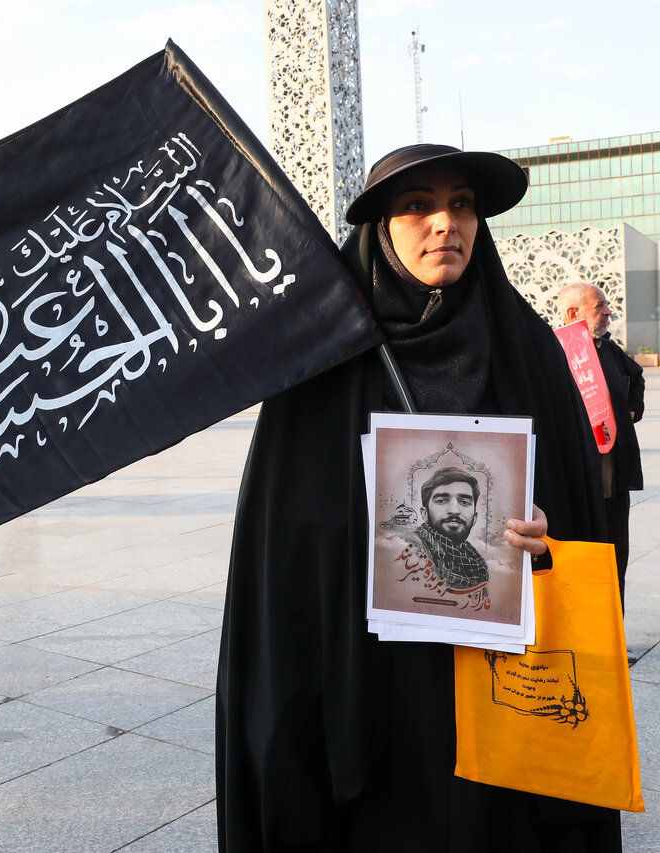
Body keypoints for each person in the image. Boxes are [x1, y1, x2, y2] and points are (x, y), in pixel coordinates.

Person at [216, 145, 616, 851]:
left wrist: (545, 532)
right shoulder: (325, 364)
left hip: (503, 689)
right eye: (417, 206)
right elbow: (287, 546)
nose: (445, 223)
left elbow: (582, 514)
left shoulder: (527, 350)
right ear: (380, 227)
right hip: (371, 685)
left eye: (461, 204)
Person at [557, 282, 644, 603]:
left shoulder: (609, 350)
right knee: (583, 559)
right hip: (578, 480)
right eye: (600, 306)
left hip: (615, 476)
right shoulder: (553, 353)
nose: (608, 312)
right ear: (573, 313)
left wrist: (632, 408)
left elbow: (636, 376)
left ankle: (614, 640)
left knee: (616, 556)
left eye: (607, 305)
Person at [408, 466, 488, 591]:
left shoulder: (476, 563)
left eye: (465, 502)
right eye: (441, 501)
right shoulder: (410, 547)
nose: (454, 510)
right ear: (424, 513)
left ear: (475, 517)